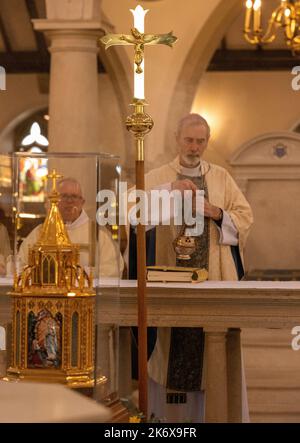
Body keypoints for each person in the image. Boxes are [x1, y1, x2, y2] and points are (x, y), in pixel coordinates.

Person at [128, 113, 253, 422]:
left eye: (200, 141)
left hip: (212, 282)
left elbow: (245, 217)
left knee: (211, 354)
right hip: (168, 281)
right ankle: (167, 422)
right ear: (177, 139)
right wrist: (169, 190)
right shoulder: (158, 176)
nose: (194, 147)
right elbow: (131, 213)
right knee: (169, 352)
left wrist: (218, 212)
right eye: (189, 140)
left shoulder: (221, 177)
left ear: (207, 142)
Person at [19, 177, 123, 278]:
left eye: (74, 196)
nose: (69, 201)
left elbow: (113, 269)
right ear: (54, 201)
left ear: (82, 202)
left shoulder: (98, 234)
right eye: (64, 196)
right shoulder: (40, 232)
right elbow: (21, 265)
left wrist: (78, 274)